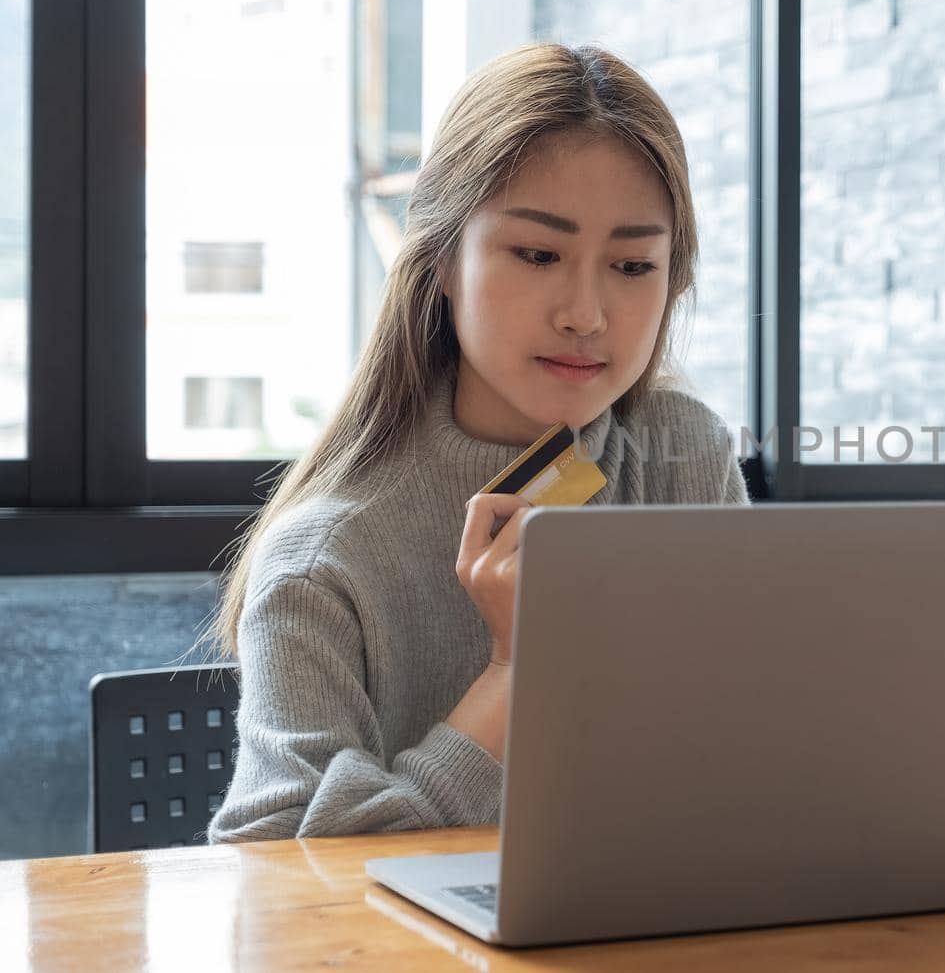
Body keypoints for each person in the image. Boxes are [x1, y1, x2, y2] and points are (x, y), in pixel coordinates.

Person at [205, 43, 748, 842]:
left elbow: (750, 751)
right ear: (441, 261)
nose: (587, 313)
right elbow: (277, 890)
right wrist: (514, 672)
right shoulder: (324, 561)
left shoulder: (680, 451)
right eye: (537, 253)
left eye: (633, 264)